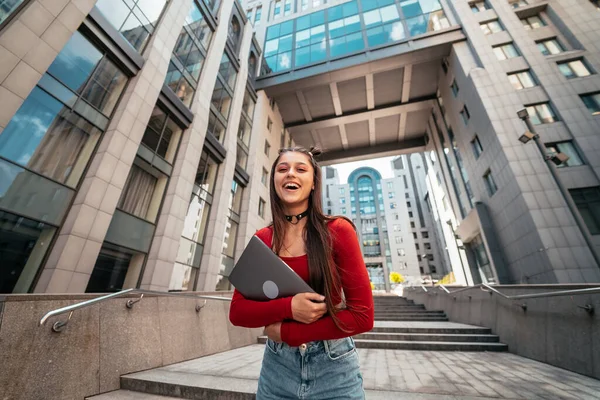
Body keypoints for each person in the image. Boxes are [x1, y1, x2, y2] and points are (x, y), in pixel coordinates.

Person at [229, 146, 374, 399]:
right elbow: (237, 311)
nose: (290, 174)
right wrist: (289, 308)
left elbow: (363, 316)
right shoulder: (263, 239)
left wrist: (289, 332)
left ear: (314, 182)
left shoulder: (339, 231)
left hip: (334, 367)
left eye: (300, 169)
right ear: (274, 180)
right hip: (277, 368)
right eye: (282, 169)